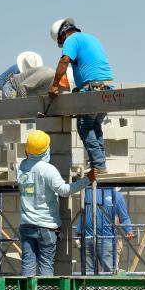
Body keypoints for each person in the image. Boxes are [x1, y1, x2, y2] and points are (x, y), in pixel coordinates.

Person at [18, 130, 95, 276]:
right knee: (46, 266)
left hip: (26, 225)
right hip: (46, 227)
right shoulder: (48, 170)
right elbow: (64, 190)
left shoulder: (21, 167)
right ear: (45, 150)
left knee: (27, 266)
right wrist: (87, 179)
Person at [47, 17, 114, 174]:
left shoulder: (72, 40)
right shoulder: (91, 38)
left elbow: (64, 62)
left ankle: (98, 165)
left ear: (63, 35)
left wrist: (55, 85)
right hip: (107, 88)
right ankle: (100, 163)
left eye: (61, 43)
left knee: (84, 126)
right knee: (94, 125)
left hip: (93, 89)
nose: (63, 46)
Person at [78, 187, 135, 274]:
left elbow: (124, 217)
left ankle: (110, 287)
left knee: (110, 271)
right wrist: (79, 232)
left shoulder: (116, 196)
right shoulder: (88, 191)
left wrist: (129, 230)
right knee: (88, 272)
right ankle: (89, 288)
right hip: (87, 237)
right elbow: (83, 212)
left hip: (106, 238)